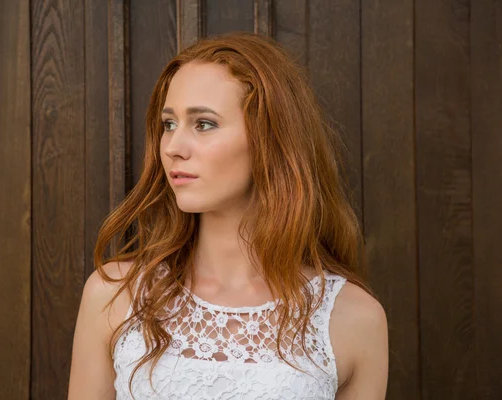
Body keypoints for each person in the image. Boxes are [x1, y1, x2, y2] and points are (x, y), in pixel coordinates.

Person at [68, 32, 388, 399]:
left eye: (203, 124)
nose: (172, 147)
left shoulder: (353, 318)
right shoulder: (114, 295)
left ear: (271, 140)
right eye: (169, 124)